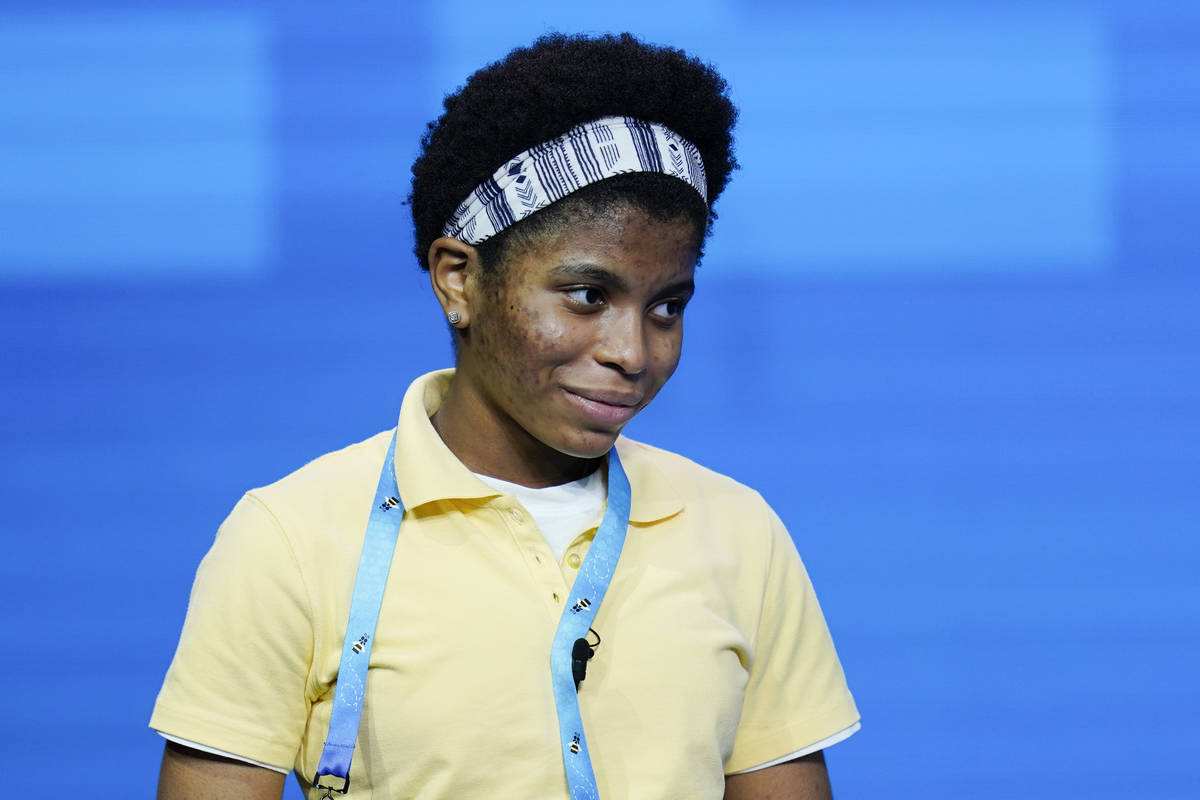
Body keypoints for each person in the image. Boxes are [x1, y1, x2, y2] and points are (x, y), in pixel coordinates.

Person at [151, 32, 860, 800]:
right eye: (588, 296)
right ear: (458, 280)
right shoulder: (290, 540)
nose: (632, 351)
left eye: (667, 306)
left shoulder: (739, 534)